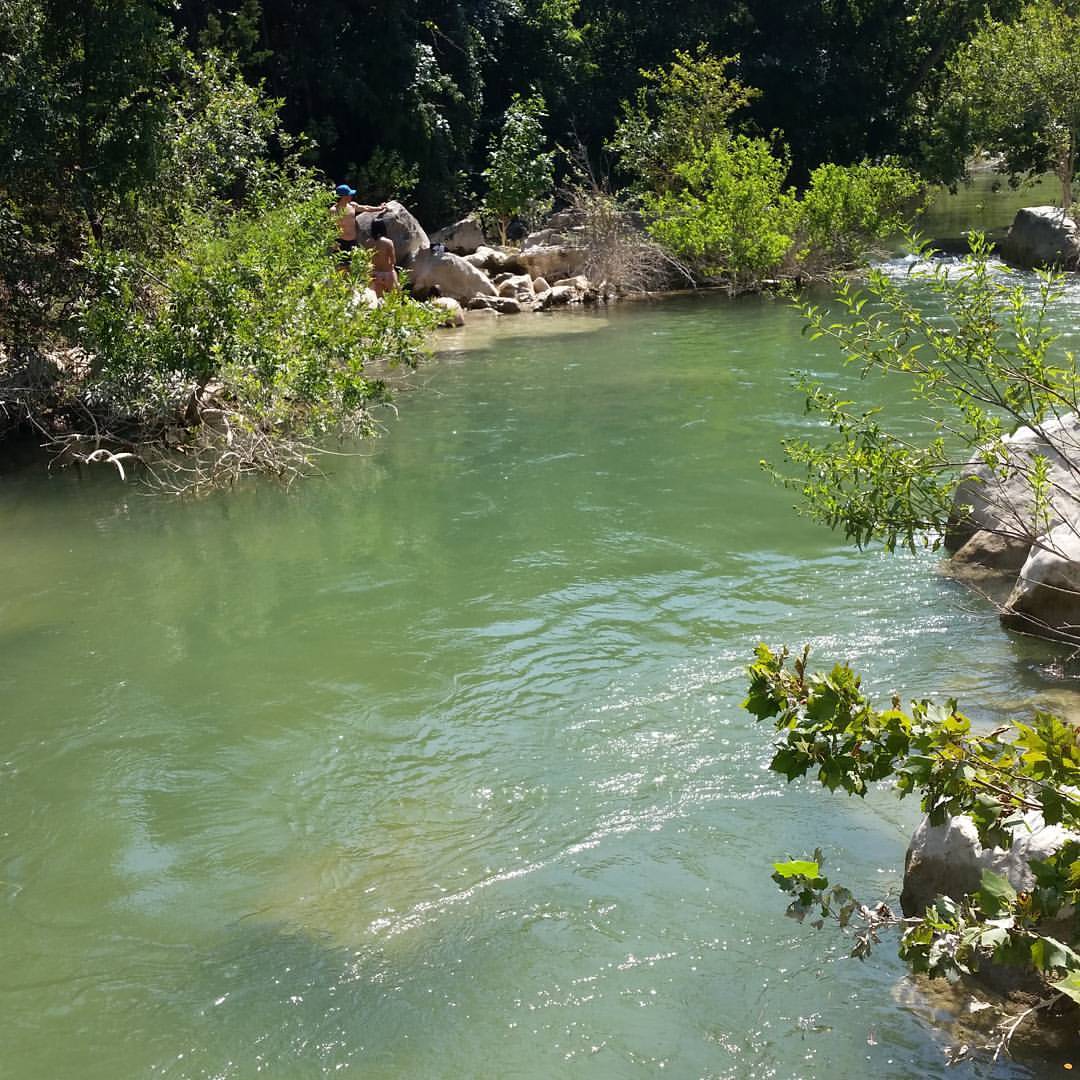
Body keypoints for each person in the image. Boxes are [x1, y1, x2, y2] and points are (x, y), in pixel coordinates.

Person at [333, 184, 386, 267]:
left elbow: (366, 208)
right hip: (340, 242)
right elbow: (329, 227)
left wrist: (379, 208)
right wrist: (333, 243)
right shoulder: (334, 210)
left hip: (353, 241)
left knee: (356, 265)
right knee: (341, 267)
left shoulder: (352, 205)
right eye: (349, 194)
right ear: (343, 196)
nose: (351, 196)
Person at [368, 217, 398, 297]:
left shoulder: (368, 242)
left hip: (374, 274)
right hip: (387, 273)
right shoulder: (388, 242)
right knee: (391, 297)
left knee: (377, 298)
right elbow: (393, 260)